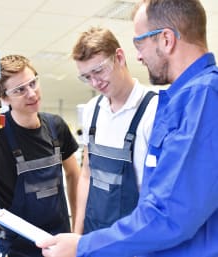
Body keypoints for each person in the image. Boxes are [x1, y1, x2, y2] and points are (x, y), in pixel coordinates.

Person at [36, 0, 218, 256]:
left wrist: (82, 246)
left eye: (139, 43)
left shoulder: (203, 98)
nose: (139, 56)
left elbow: (169, 215)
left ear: (166, 39)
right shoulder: (183, 99)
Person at [0, 54, 81, 257]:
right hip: (17, 249)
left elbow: (75, 175)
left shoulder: (56, 126)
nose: (32, 94)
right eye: (20, 90)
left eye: (33, 83)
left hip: (60, 244)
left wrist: (78, 232)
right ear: (4, 97)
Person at [71, 27, 157, 235]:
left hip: (133, 238)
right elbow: (86, 174)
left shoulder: (153, 110)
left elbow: (157, 192)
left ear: (119, 57)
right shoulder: (92, 109)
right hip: (94, 234)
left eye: (99, 70)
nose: (94, 82)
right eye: (86, 77)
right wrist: (77, 235)